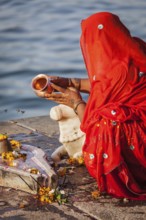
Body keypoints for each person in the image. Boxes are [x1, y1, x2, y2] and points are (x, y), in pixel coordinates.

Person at [35, 12, 146, 200]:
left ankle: (130, 172)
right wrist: (72, 82)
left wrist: (76, 102)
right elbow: (108, 84)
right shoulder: (132, 50)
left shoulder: (118, 71)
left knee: (107, 124)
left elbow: (94, 125)